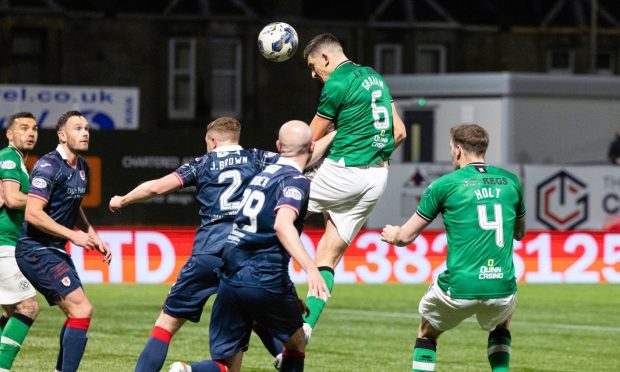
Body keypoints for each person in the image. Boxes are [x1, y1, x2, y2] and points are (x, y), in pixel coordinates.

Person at [109, 117, 334, 372]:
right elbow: (301, 155)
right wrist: (335, 134)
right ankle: (284, 354)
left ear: (213, 142)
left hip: (209, 251)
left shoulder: (202, 163)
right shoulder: (257, 158)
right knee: (264, 318)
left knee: (166, 326)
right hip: (246, 250)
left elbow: (157, 188)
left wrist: (123, 200)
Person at [170, 120, 330, 372]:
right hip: (264, 277)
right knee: (296, 344)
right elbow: (282, 225)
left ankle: (189, 371)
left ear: (278, 146)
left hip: (231, 276)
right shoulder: (295, 181)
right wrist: (310, 268)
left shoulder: (262, 177)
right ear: (311, 147)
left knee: (228, 367)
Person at [381, 124, 526, 372]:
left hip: (460, 286)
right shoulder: (511, 182)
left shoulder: (445, 185)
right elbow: (520, 234)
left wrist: (393, 234)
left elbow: (406, 237)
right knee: (501, 325)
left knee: (427, 333)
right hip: (501, 285)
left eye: (451, 148)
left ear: (458, 149)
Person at [299, 33, 407, 339]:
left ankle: (248, 287)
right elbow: (398, 133)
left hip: (345, 170)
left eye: (312, 65)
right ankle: (306, 329)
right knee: (327, 256)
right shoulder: (376, 78)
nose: (312, 74)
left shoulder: (336, 83)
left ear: (325, 59)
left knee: (276, 212)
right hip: (376, 178)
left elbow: (305, 145)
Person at [15, 110, 111, 372]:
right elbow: (32, 214)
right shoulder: (48, 166)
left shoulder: (82, 167)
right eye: (78, 128)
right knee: (82, 309)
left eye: (87, 128)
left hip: (55, 249)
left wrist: (93, 235)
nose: (85, 133)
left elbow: (74, 207)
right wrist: (73, 235)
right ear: (62, 135)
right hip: (35, 249)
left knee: (77, 313)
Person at [0, 112, 39, 370]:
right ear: (9, 134)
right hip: (2, 245)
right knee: (28, 306)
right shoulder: (8, 157)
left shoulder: (20, 162)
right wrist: (45, 199)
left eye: (34, 129)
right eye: (23, 128)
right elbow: (13, 199)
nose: (31, 133)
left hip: (9, 243)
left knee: (11, 311)